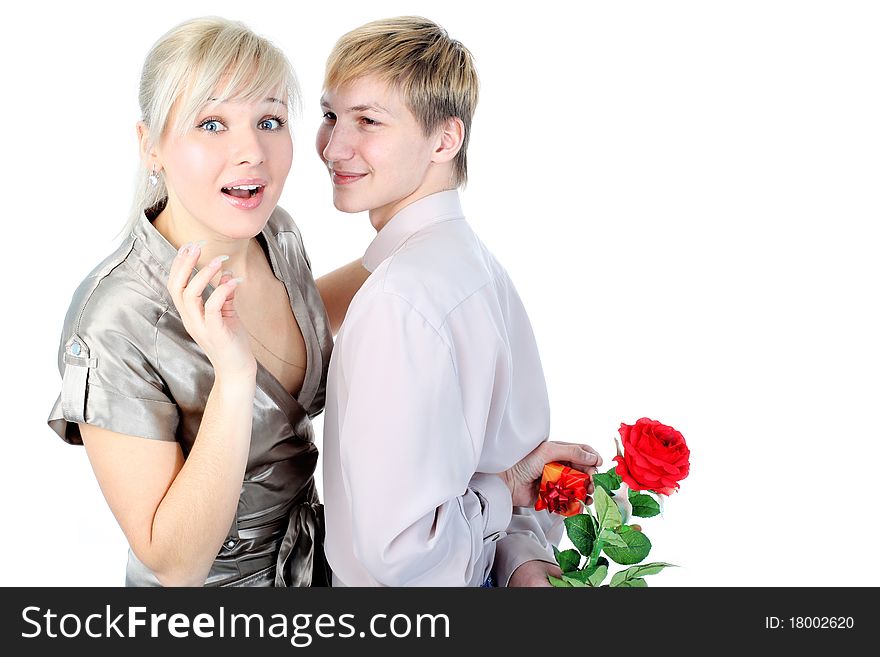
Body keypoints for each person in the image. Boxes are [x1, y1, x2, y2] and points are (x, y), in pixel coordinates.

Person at [47, 16, 368, 587]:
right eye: (212, 122)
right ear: (152, 148)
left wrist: (412, 250)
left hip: (324, 566)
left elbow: (299, 322)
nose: (251, 151)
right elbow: (176, 566)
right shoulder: (112, 321)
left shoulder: (276, 234)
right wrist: (234, 372)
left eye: (269, 120)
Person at [317, 16, 602, 587]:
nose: (333, 147)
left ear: (446, 140)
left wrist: (503, 492)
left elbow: (398, 555)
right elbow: (515, 464)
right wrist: (519, 539)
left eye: (368, 121)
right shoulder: (473, 265)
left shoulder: (400, 301)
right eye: (330, 116)